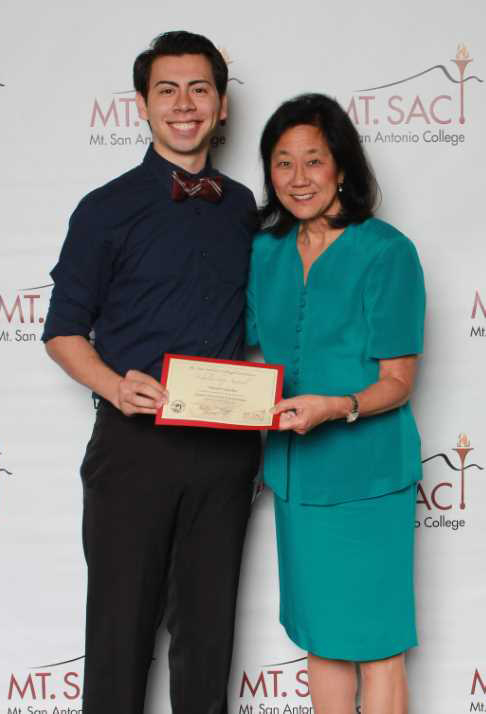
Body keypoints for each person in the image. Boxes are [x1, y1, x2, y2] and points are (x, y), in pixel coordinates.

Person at [42, 31, 260, 714]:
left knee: (207, 645)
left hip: (225, 450)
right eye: (167, 90)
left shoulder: (245, 209)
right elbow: (62, 331)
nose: (184, 104)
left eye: (199, 88)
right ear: (142, 104)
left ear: (222, 105)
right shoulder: (104, 208)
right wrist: (112, 384)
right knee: (118, 639)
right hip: (135, 447)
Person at [246, 93, 425, 714]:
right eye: (282, 162)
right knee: (321, 642)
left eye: (314, 161)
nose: (298, 178)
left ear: (342, 166)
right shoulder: (264, 251)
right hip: (297, 480)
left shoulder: (387, 251)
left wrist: (337, 405)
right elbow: (254, 356)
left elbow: (398, 379)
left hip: (369, 478)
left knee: (377, 646)